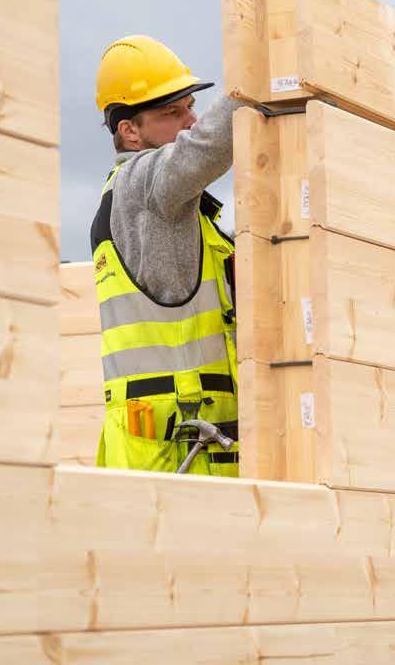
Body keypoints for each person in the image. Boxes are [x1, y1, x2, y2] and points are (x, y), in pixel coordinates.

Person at [91, 34, 239, 476]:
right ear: (130, 132)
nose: (190, 120)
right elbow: (206, 147)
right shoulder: (141, 186)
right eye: (170, 113)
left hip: (184, 451)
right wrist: (265, 57)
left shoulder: (179, 212)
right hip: (176, 457)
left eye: (190, 106)